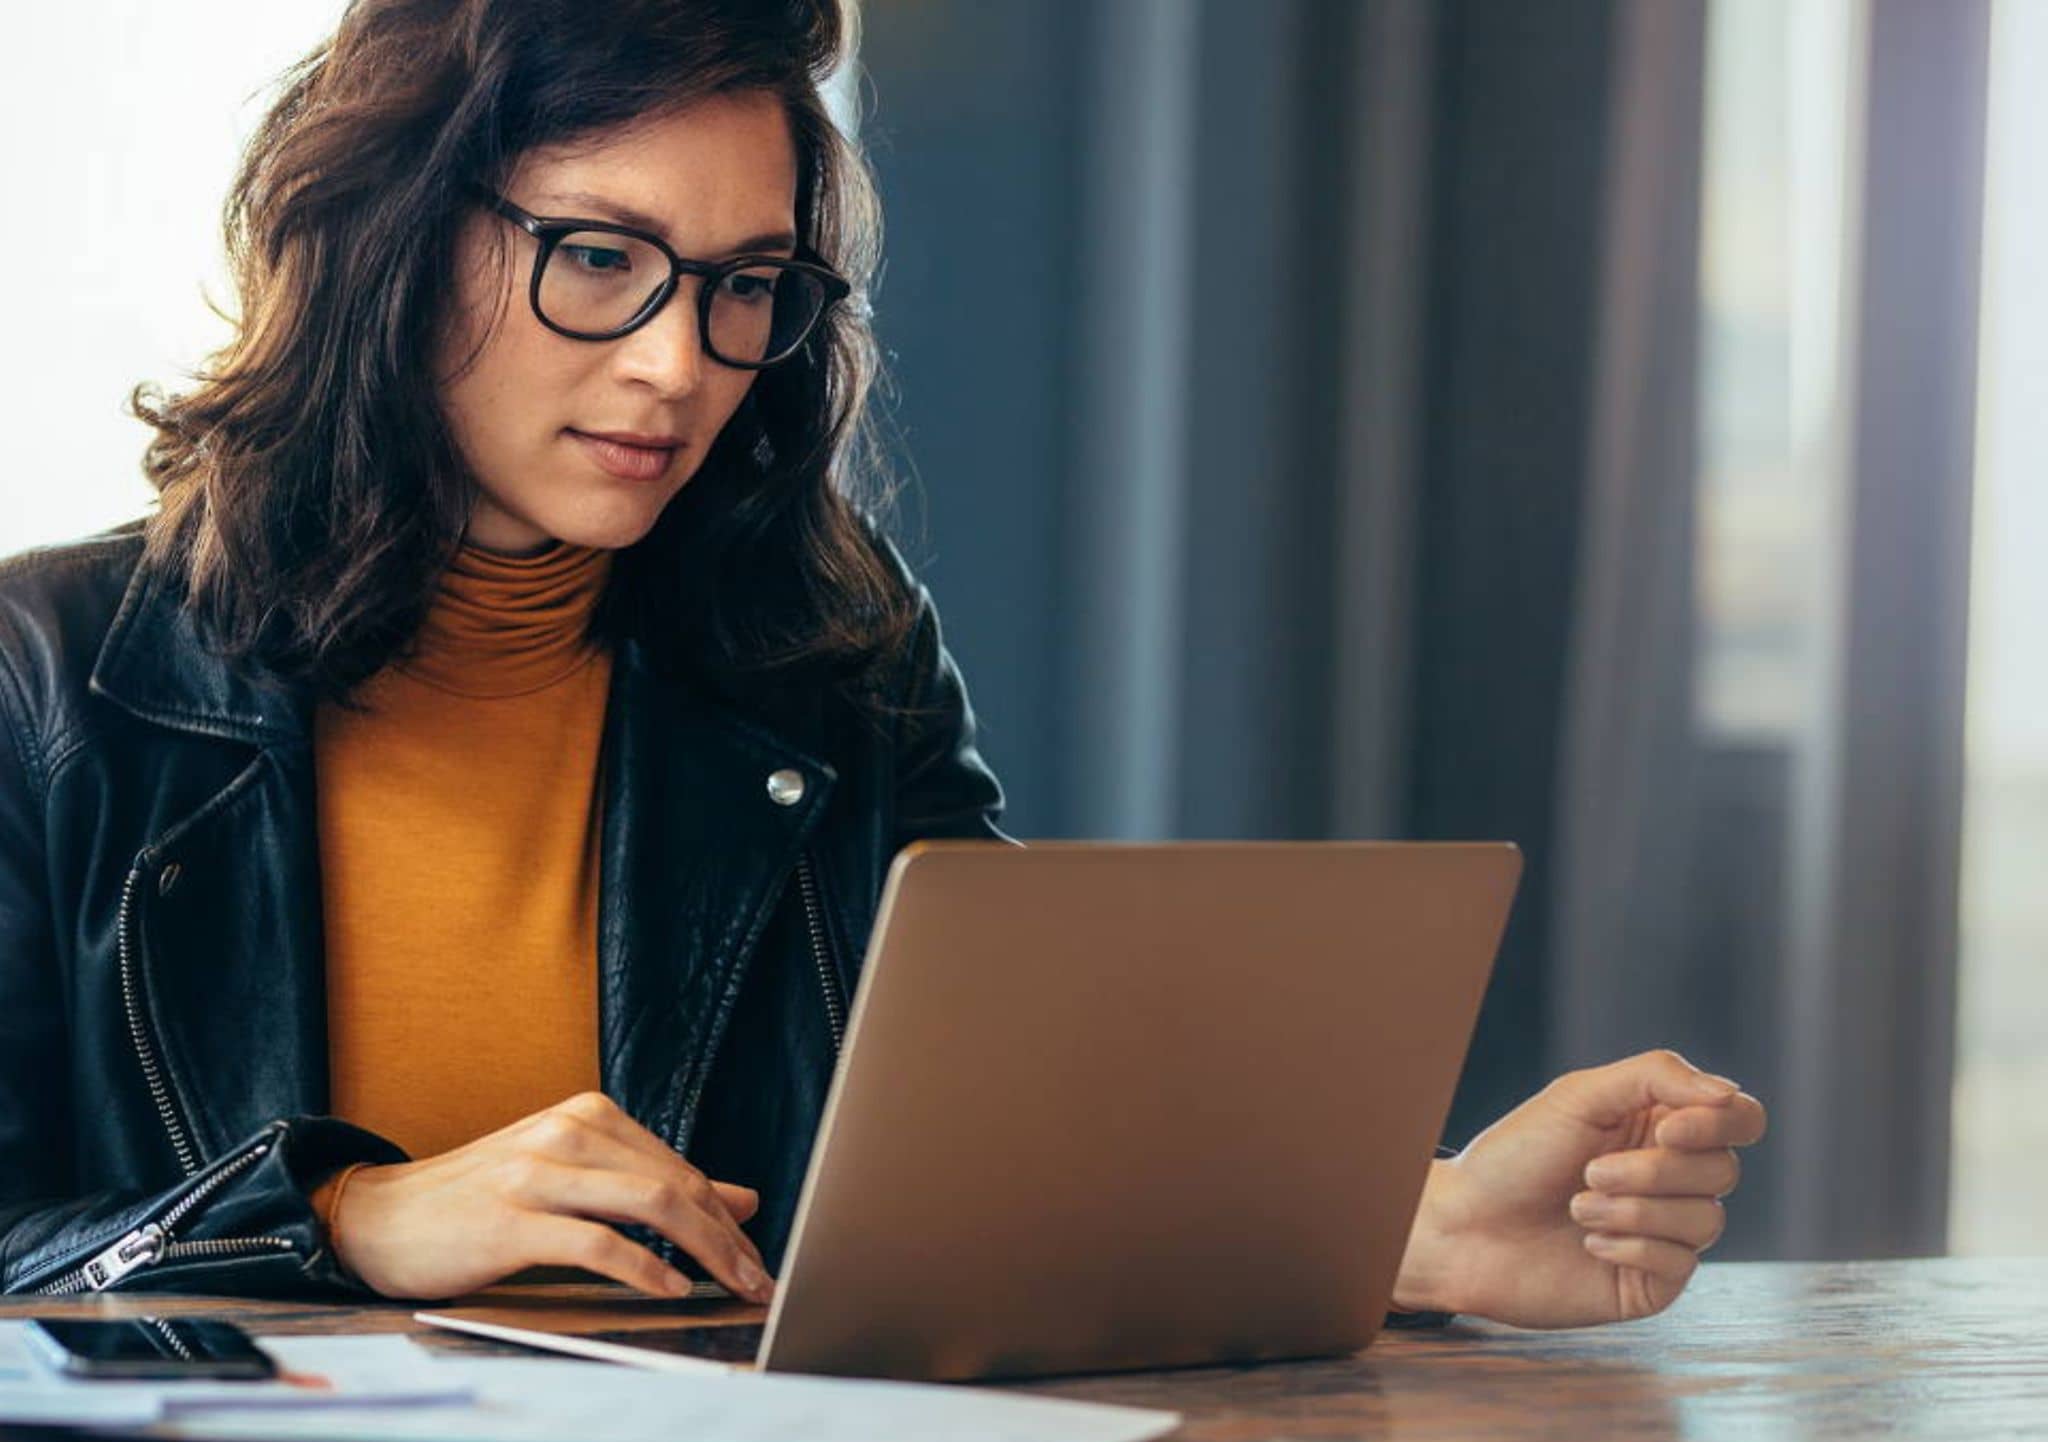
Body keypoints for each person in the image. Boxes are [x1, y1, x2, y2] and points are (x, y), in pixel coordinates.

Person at [0, 0, 1763, 1331]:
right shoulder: (48, 677)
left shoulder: (829, 655)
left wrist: (1415, 1224)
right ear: (394, 240)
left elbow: (990, 1154)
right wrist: (348, 1220)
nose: (682, 364)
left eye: (745, 284)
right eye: (599, 260)